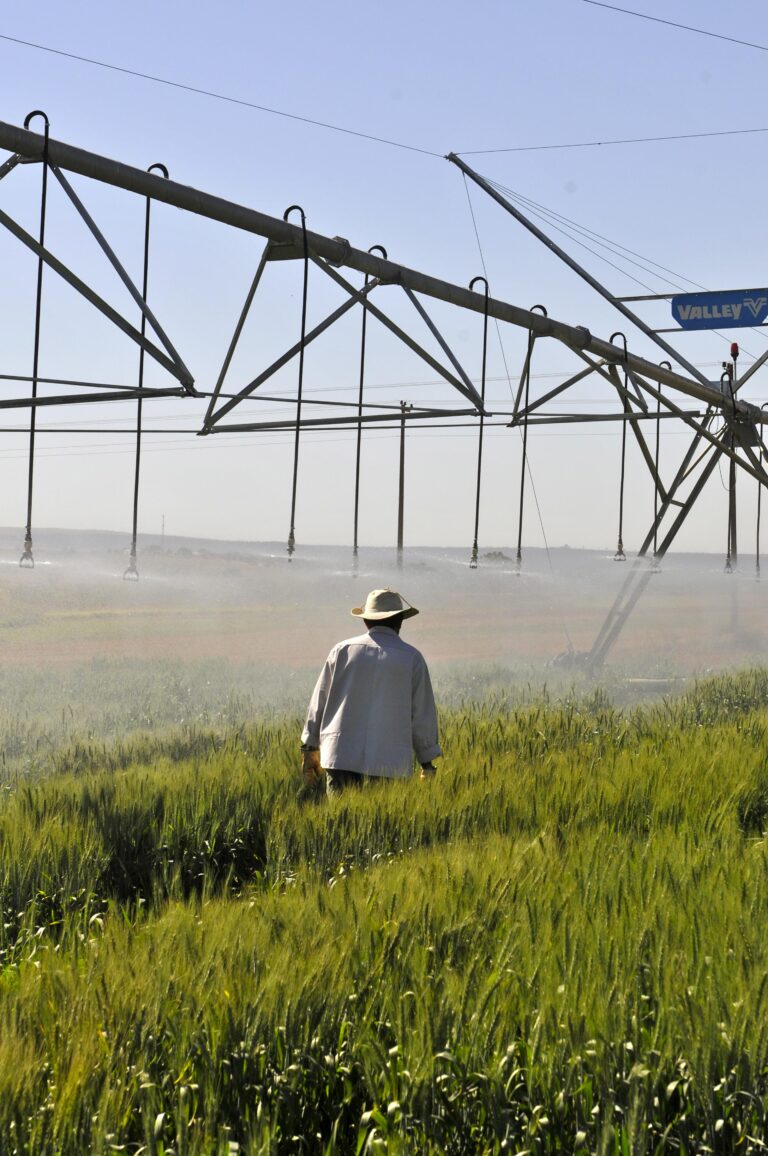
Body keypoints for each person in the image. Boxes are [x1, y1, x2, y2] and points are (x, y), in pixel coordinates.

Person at [301, 588, 442, 797]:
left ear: (366, 621)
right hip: (390, 759)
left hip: (340, 753)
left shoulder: (341, 651)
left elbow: (318, 703)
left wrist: (309, 748)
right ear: (400, 621)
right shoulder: (412, 658)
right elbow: (422, 715)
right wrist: (426, 762)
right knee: (386, 817)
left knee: (342, 816)